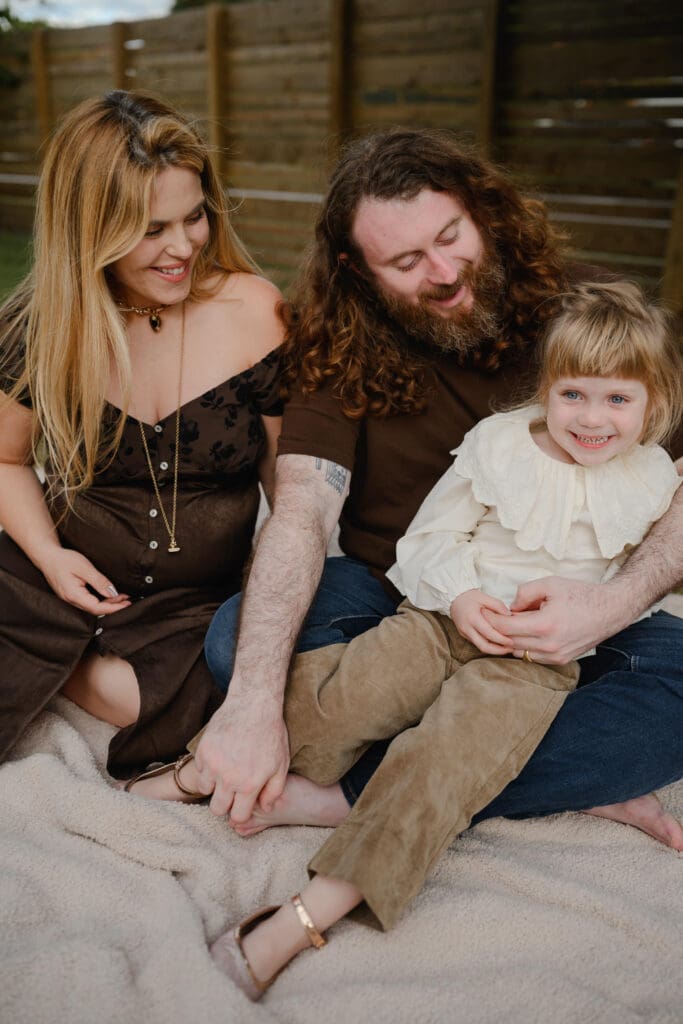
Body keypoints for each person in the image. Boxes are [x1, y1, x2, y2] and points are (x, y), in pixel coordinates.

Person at [195, 127, 683, 847]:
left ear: (482, 211)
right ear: (357, 271)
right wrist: (250, 707)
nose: (446, 271)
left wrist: (613, 604)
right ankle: (527, 769)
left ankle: (349, 793)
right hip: (399, 601)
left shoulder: (589, 313)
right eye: (406, 261)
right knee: (239, 645)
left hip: (570, 624)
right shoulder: (337, 345)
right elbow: (301, 509)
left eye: (451, 236)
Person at [203, 278, 682, 1001]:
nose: (592, 418)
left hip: (535, 663)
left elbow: (642, 578)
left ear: (655, 404)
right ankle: (207, 768)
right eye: (573, 395)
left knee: (446, 760)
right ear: (546, 389)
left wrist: (598, 611)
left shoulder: (650, 477)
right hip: (437, 620)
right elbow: (427, 540)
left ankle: (306, 913)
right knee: (305, 699)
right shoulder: (500, 445)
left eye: (618, 399)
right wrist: (459, 595)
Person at [0, 90, 284, 776]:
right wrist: (50, 558)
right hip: (59, 577)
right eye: (151, 230)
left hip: (198, 604)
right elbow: (5, 460)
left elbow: (293, 488)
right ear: (89, 229)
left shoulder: (254, 311)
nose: (182, 247)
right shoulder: (39, 325)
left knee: (229, 679)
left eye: (194, 217)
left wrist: (269, 594)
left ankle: (66, 669)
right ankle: (63, 649)